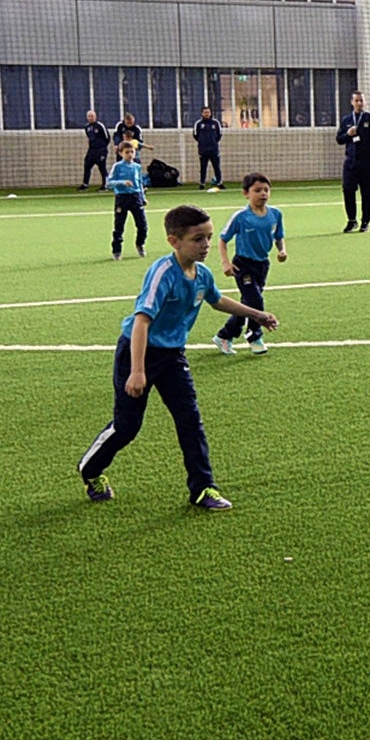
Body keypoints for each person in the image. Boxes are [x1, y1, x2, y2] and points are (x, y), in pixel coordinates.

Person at [77, 203, 278, 512]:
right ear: (174, 241)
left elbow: (217, 300)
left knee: (190, 420)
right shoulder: (162, 273)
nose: (207, 245)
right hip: (138, 352)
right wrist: (138, 372)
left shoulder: (202, 274)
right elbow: (142, 321)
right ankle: (90, 470)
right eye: (198, 239)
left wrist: (257, 314)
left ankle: (202, 487)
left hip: (173, 356)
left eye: (209, 237)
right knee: (127, 427)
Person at [214, 172, 286, 356]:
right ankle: (254, 336)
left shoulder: (276, 214)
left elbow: (279, 236)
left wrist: (281, 250)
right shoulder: (240, 217)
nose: (263, 194)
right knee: (256, 301)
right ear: (246, 193)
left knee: (247, 304)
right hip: (243, 265)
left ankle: (224, 336)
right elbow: (222, 240)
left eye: (266, 190)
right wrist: (226, 263)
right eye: (257, 190)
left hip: (262, 265)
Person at [335, 88, 370, 233]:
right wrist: (348, 134)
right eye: (356, 100)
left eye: (361, 100)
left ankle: (365, 222)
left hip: (368, 162)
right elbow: (339, 139)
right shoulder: (346, 121)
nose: (359, 103)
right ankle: (352, 220)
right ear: (352, 102)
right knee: (347, 189)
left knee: (367, 193)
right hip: (351, 162)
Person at [107, 139, 148, 258]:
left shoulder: (137, 167)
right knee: (119, 226)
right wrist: (122, 182)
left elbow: (139, 183)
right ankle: (117, 251)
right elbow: (109, 183)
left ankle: (140, 244)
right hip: (122, 198)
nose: (130, 154)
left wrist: (143, 197)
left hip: (136, 197)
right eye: (127, 152)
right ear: (121, 153)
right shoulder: (118, 166)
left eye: (132, 152)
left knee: (142, 225)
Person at [192, 105, 224, 190]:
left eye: (208, 112)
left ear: (210, 113)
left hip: (214, 149)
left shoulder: (215, 123)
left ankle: (219, 182)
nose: (206, 114)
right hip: (203, 150)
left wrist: (213, 142)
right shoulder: (198, 123)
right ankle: (202, 183)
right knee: (203, 167)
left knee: (216, 167)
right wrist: (202, 142)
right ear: (202, 113)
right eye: (205, 112)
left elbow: (219, 135)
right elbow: (195, 135)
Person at [79, 109, 110, 191]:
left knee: (102, 167)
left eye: (92, 116)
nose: (90, 118)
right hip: (91, 151)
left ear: (95, 117)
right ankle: (85, 184)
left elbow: (107, 138)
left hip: (101, 150)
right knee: (87, 166)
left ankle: (105, 185)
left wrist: (102, 148)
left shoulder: (100, 126)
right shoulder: (87, 127)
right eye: (89, 116)